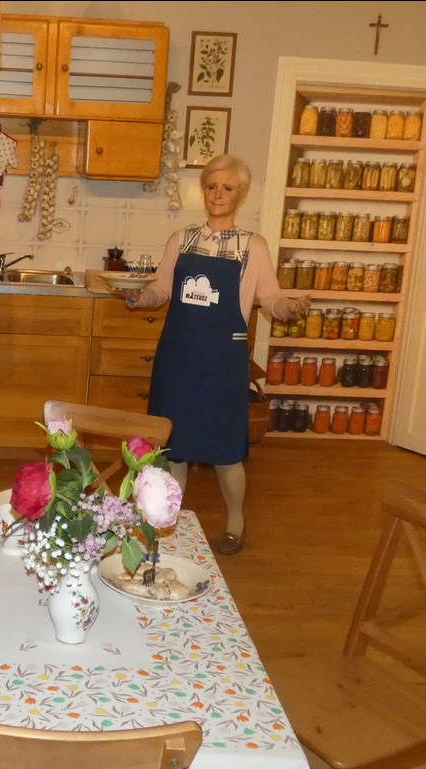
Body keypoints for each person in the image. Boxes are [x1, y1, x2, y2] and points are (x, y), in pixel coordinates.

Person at [123, 155, 309, 556]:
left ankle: (235, 522)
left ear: (240, 195)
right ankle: (165, 523)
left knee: (226, 450)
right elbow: (161, 289)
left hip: (223, 361)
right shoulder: (181, 239)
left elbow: (271, 297)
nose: (218, 194)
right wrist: (140, 297)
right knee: (172, 448)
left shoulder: (253, 246)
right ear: (203, 191)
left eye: (227, 188)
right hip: (178, 358)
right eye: (211, 186)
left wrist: (289, 308)